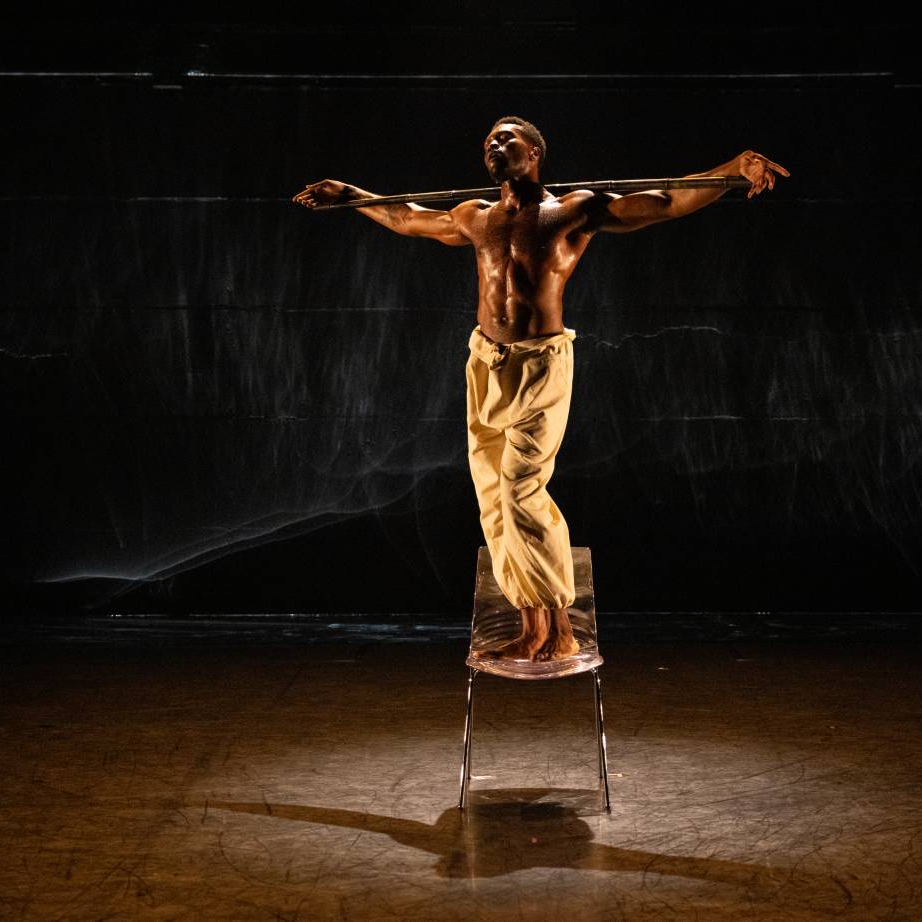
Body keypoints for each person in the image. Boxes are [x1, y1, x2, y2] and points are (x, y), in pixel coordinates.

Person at [293, 117, 787, 661]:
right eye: (488, 141)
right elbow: (408, 219)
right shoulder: (473, 217)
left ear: (535, 153)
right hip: (485, 360)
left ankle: (563, 626)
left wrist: (733, 172)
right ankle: (532, 627)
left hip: (539, 365)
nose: (495, 145)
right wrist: (351, 195)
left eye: (507, 139)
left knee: (520, 490)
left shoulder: (572, 211)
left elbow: (666, 201)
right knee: (493, 500)